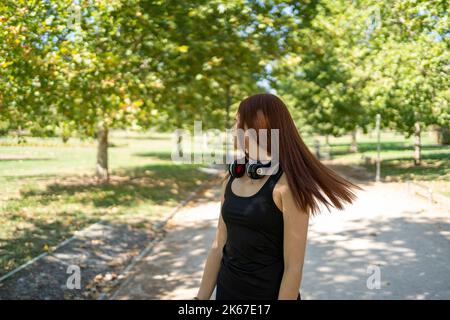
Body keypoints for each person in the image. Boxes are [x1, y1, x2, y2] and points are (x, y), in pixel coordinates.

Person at [195, 93, 361, 300]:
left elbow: (294, 267)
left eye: (239, 122)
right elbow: (218, 246)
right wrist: (198, 300)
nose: (233, 129)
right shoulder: (231, 180)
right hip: (227, 293)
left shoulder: (286, 188)